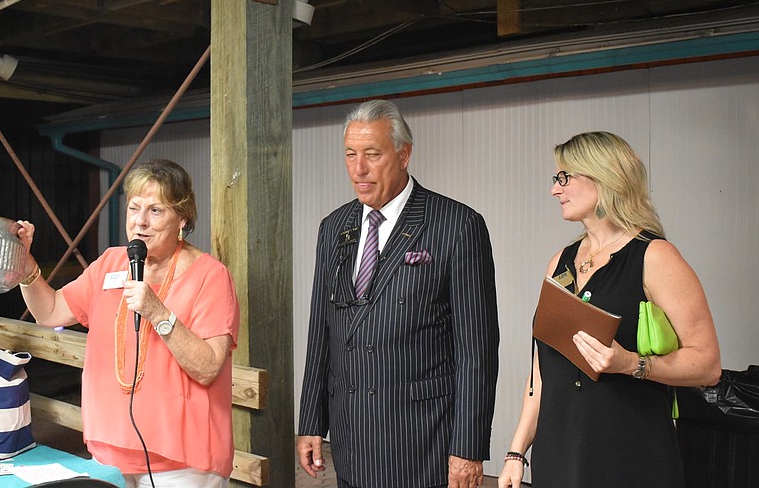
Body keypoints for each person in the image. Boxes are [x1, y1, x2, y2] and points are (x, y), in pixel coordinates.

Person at [498, 131, 721, 488]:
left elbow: (708, 366)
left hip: (628, 455)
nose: (555, 190)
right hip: (559, 453)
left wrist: (630, 363)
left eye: (563, 178)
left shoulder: (655, 256)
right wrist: (515, 452)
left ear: (604, 178)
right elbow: (541, 370)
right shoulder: (560, 262)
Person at [297, 99, 500, 488]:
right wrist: (310, 420)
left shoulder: (456, 225)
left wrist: (469, 448)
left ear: (403, 154)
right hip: (351, 437)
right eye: (350, 154)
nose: (359, 168)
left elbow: (477, 350)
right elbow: (321, 331)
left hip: (421, 440)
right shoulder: (334, 227)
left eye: (372, 154)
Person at [15, 159, 240, 488]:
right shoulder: (111, 262)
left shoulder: (210, 276)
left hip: (183, 462)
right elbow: (49, 311)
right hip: (111, 450)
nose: (140, 222)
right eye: (134, 208)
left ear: (183, 218)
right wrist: (25, 268)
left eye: (156, 211)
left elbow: (207, 367)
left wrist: (158, 313)